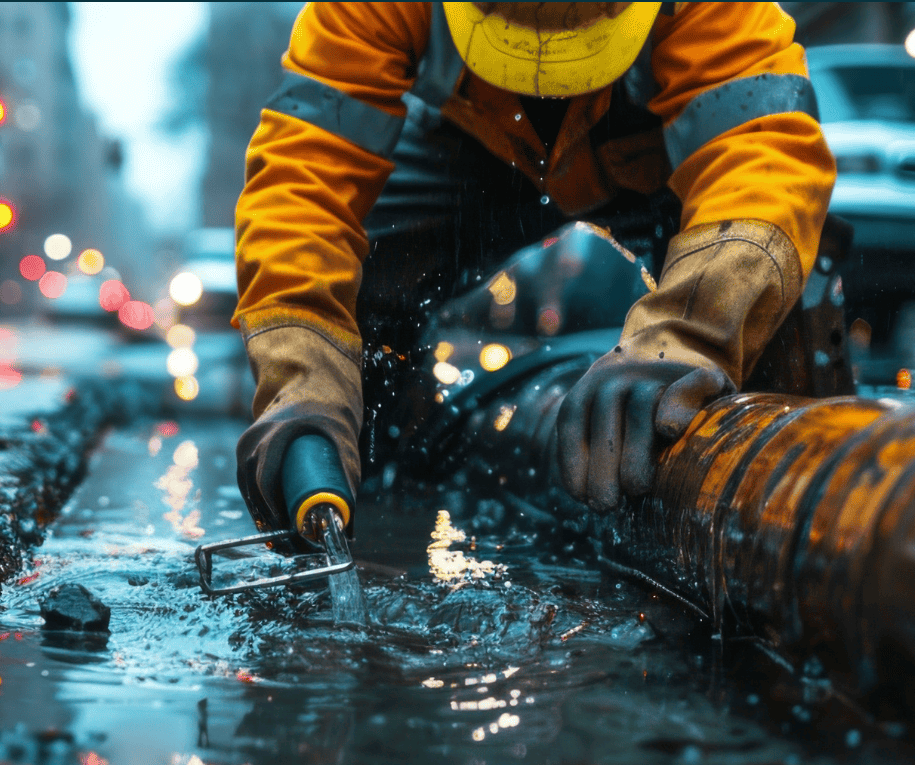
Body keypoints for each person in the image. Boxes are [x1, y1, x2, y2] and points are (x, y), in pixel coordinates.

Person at [230, 2, 836, 530]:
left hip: (651, 152)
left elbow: (764, 157)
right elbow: (303, 192)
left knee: (778, 279)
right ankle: (370, 487)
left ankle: (802, 511)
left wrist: (686, 337)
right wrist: (301, 386)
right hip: (477, 145)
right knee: (366, 277)